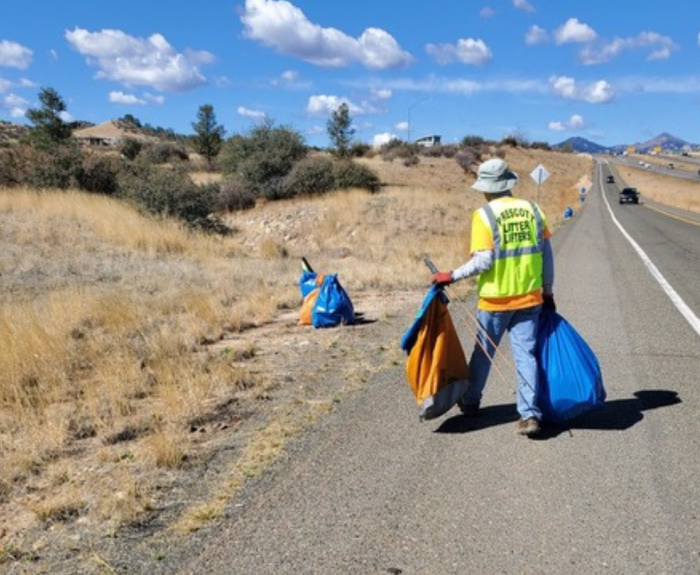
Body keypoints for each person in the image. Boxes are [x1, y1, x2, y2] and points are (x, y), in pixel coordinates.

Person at [431, 158, 555, 437]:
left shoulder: (484, 215)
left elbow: (483, 261)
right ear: (508, 183)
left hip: (496, 301)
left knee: (484, 354)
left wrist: (450, 275)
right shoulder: (533, 210)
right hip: (530, 299)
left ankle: (471, 401)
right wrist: (548, 291)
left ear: (486, 188)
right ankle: (529, 414)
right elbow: (546, 256)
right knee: (527, 356)